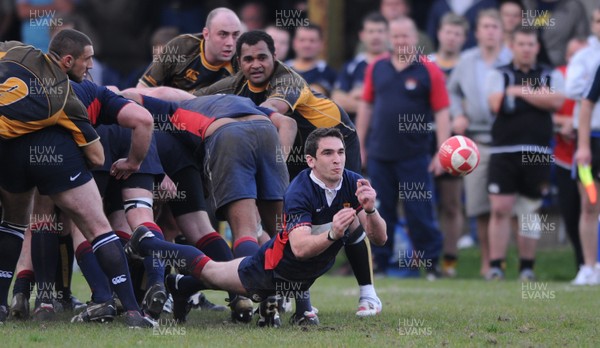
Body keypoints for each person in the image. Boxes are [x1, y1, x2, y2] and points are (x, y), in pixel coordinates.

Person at [194, 30, 382, 318]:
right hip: (291, 153)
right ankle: (292, 299)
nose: (255, 64)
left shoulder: (288, 80)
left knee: (350, 215)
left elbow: (272, 111)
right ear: (239, 62)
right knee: (289, 225)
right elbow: (194, 98)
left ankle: (368, 294)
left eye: (262, 57)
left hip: (335, 143)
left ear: (275, 57)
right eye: (248, 59)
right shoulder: (238, 83)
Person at [124, 127, 387, 327]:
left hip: (300, 272)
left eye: (340, 152)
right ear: (310, 161)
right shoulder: (299, 191)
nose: (337, 159)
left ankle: (180, 285)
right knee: (212, 272)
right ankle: (147, 242)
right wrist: (333, 233)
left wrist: (370, 210)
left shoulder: (354, 183)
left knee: (218, 276)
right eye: (327, 153)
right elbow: (300, 248)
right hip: (272, 267)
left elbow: (379, 239)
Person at [0, 29, 156, 327]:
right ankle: (133, 311)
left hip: (7, 153)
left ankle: (11, 304)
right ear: (68, 60)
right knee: (97, 227)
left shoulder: (16, 50)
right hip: (53, 156)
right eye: (87, 60)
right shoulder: (66, 97)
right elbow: (97, 157)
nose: (91, 66)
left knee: (14, 225)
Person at [356, 17, 451, 279]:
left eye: (405, 36)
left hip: (415, 157)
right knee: (380, 211)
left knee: (419, 213)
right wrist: (360, 145)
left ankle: (430, 265)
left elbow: (442, 112)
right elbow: (366, 107)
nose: (400, 41)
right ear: (390, 38)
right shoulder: (376, 67)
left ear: (415, 38)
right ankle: (381, 264)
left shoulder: (429, 70)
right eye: (395, 37)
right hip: (379, 155)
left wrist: (442, 153)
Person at [484, 26, 565, 280]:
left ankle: (526, 268)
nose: (527, 49)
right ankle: (496, 266)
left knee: (530, 210)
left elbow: (556, 101)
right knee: (500, 209)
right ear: (512, 46)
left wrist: (519, 91)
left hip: (538, 152)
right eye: (521, 44)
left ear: (537, 47)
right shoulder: (499, 74)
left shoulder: (549, 74)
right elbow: (496, 102)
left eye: (531, 44)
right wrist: (537, 95)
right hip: (504, 151)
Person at [447, 9, 513, 277]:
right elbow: (451, 91)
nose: (489, 31)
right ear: (477, 32)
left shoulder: (511, 58)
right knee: (481, 207)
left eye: (494, 26)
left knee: (508, 207)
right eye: (484, 26)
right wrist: (458, 114)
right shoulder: (466, 60)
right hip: (475, 142)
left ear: (501, 31)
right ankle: (488, 264)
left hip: (507, 140)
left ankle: (512, 264)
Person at [429, 12, 468, 277]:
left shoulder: (469, 65)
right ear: (439, 33)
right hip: (421, 139)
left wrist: (465, 116)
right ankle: (422, 260)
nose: (451, 37)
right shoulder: (425, 63)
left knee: (451, 203)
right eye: (447, 31)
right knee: (418, 202)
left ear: (463, 38)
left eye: (457, 33)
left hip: (456, 144)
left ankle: (450, 262)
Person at [566, 5, 600, 285]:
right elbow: (582, 98)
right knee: (590, 202)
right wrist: (584, 146)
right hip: (592, 144)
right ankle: (588, 266)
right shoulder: (586, 58)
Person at [136, 7, 242, 93]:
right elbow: (142, 89)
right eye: (223, 34)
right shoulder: (179, 47)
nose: (230, 43)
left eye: (235, 35)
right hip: (171, 112)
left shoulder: (243, 60)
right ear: (206, 34)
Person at [332, 12, 389, 123]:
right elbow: (337, 100)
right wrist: (374, 104)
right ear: (362, 35)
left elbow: (396, 103)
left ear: (388, 35)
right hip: (354, 132)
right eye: (371, 31)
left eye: (380, 31)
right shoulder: (351, 66)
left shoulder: (396, 65)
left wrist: (361, 94)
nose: (375, 36)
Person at [286, 24, 337, 96]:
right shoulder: (281, 69)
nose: (307, 45)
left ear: (321, 44)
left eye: (312, 41)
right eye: (302, 40)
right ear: (294, 43)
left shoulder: (329, 73)